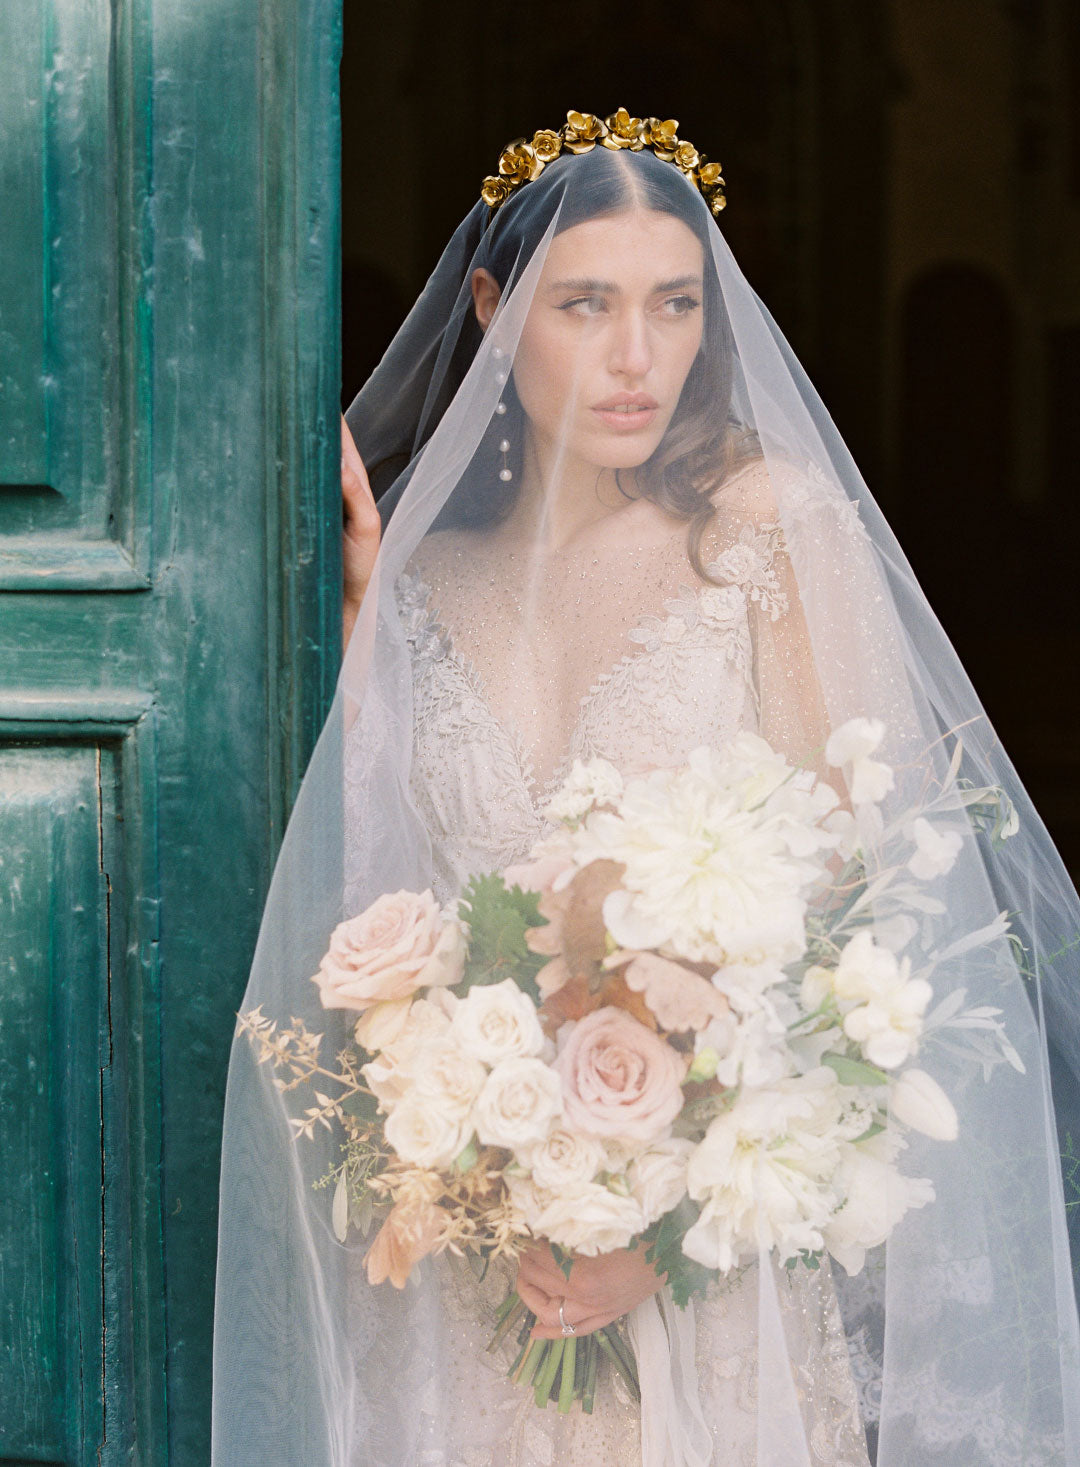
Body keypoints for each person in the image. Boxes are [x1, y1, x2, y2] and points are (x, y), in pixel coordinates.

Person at [213, 111, 1080, 1467]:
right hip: (462, 1278)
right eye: (586, 306)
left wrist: (662, 1237)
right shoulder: (422, 584)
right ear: (497, 312)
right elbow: (372, 919)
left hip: (706, 1291)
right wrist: (364, 618)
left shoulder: (765, 534)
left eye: (675, 305)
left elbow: (873, 940)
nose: (638, 357)